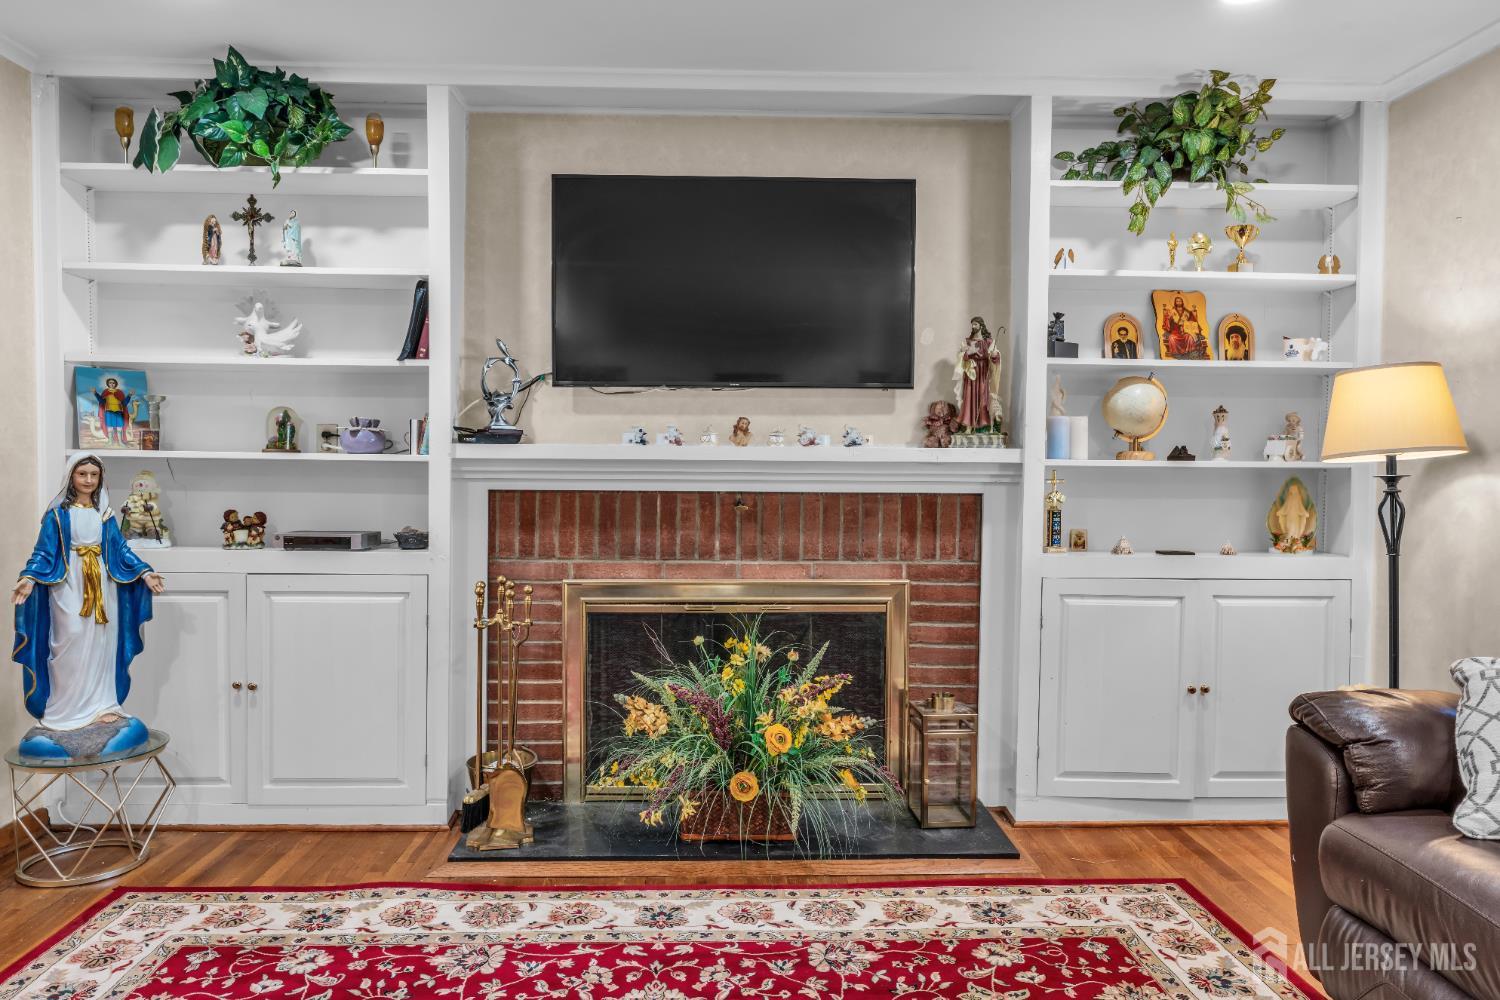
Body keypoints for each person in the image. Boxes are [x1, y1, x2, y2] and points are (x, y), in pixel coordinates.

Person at [11, 454, 165, 759]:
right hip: (69, 586)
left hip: (103, 587)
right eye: (83, 473)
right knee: (70, 640)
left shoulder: (104, 514)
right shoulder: (58, 515)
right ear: (71, 476)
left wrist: (145, 572)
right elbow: (43, 553)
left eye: (94, 474)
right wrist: (28, 578)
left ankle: (100, 705)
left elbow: (120, 549)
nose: (89, 480)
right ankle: (64, 709)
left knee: (100, 644)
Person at [953, 316, 1002, 432]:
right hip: (971, 372)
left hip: (983, 372)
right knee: (969, 397)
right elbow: (961, 357)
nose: (973, 326)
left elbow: (995, 357)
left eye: (975, 324)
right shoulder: (967, 341)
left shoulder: (988, 341)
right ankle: (968, 426)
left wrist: (994, 355)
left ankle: (982, 425)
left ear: (981, 325)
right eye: (972, 324)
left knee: (982, 396)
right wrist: (966, 353)